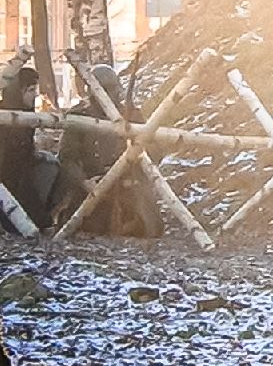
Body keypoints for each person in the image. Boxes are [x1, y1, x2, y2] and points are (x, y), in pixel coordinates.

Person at [56, 65, 162, 238]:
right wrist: (85, 182)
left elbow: (154, 151)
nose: (113, 94)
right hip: (93, 184)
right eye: (107, 90)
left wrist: (135, 161)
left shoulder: (131, 115)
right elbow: (67, 158)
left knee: (149, 225)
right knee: (90, 225)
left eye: (114, 89)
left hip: (125, 184)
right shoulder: (79, 117)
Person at [0, 66, 53, 232]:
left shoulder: (27, 114)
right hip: (6, 177)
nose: (35, 95)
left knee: (51, 165)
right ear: (18, 91)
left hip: (22, 172)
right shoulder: (4, 115)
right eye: (30, 90)